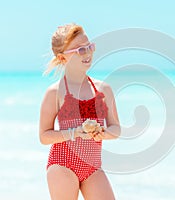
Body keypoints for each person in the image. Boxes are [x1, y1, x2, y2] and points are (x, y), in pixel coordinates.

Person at [39, 23, 121, 200]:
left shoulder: (103, 89)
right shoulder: (55, 92)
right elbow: (44, 136)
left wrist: (103, 133)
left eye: (89, 47)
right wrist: (72, 133)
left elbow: (116, 129)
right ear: (62, 59)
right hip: (63, 164)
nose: (88, 53)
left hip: (92, 167)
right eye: (80, 50)